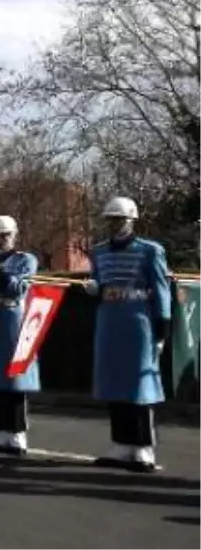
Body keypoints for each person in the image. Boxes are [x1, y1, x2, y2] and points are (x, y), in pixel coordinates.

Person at [86, 196, 170, 472]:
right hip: (110, 318)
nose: (114, 225)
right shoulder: (98, 252)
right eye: (111, 220)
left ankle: (144, 447)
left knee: (139, 385)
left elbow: (160, 288)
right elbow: (99, 278)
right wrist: (94, 287)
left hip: (137, 318)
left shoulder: (149, 250)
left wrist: (162, 324)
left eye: (119, 219)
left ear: (131, 220)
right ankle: (121, 444)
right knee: (113, 380)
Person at [0, 215, 40, 455]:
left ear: (14, 235)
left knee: (15, 379)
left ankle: (17, 432)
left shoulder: (26, 260)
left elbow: (19, 288)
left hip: (15, 318)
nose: (2, 239)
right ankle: (0, 429)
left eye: (6, 234)